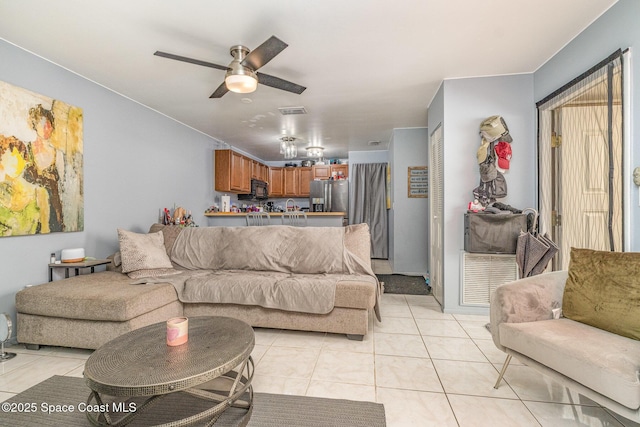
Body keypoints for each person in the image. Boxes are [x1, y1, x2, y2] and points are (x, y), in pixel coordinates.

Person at [23, 103, 64, 232]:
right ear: (35, 126)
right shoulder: (27, 148)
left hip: (53, 203)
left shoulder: (57, 153)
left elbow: (60, 184)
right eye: (43, 124)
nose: (47, 128)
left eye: (49, 124)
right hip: (34, 202)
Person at [0, 136, 49, 235]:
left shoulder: (40, 194)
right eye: (4, 151)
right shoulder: (2, 194)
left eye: (19, 152)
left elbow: (46, 233)